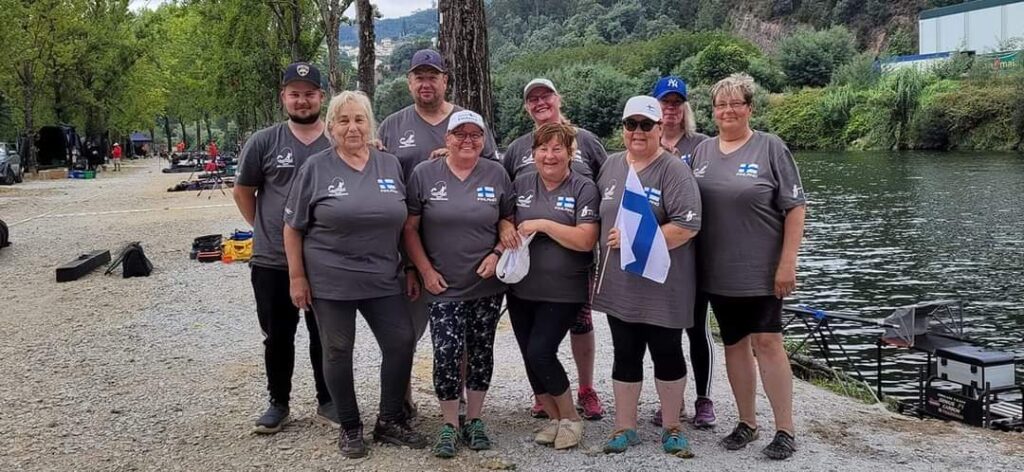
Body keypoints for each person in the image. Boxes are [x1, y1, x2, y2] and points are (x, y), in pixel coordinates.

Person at [283, 91, 426, 458]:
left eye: (359, 119)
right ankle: (349, 425)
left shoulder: (389, 165)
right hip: (332, 279)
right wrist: (297, 277)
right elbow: (293, 227)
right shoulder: (316, 168)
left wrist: (411, 267)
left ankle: (390, 419)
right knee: (337, 348)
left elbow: (404, 225)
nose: (352, 127)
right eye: (344, 120)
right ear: (331, 127)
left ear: (370, 125)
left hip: (383, 275)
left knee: (401, 341)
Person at [690, 73, 806, 460]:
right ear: (713, 111)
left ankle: (785, 429)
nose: (728, 110)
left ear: (749, 108)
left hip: (762, 271)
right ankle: (747, 422)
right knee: (734, 345)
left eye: (736, 103)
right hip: (717, 272)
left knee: (768, 343)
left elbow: (795, 208)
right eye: (721, 105)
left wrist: (788, 262)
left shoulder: (770, 147)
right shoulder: (702, 152)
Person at [378, 48, 499, 416]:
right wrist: (412, 265)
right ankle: (401, 403)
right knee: (405, 333)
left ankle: (458, 402)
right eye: (419, 77)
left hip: (459, 250)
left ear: (445, 80)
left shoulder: (467, 124)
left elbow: (493, 177)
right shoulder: (392, 125)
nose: (426, 83)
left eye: (433, 76)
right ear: (409, 82)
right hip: (408, 246)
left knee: (460, 337)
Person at [594, 96, 702, 456]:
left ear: (660, 128)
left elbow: (687, 225)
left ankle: (672, 425)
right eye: (631, 124)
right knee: (624, 353)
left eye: (646, 125)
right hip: (620, 283)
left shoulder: (674, 170)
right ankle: (625, 427)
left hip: (662, 284)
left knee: (667, 352)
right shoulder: (611, 166)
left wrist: (634, 241)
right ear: (623, 129)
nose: (637, 132)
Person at [403, 110, 513, 459]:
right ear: (446, 138)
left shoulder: (496, 173)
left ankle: (475, 419)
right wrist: (423, 270)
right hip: (442, 284)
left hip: (485, 283)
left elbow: (508, 219)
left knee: (481, 351)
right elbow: (409, 228)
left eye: (475, 135)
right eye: (460, 134)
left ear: (484, 139)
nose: (468, 141)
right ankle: (450, 422)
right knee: (447, 352)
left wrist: (497, 254)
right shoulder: (424, 174)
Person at [233, 62, 335, 434]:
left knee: (326, 334)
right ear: (283, 97)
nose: (302, 100)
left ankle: (328, 399)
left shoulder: (336, 139)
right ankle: (279, 402)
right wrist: (264, 228)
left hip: (326, 258)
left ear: (322, 96)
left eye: (309, 93)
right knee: (278, 335)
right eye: (295, 94)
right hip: (273, 259)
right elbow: (243, 191)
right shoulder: (264, 141)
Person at [502, 78, 606, 421]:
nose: (540, 102)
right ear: (526, 107)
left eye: (545, 95)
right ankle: (544, 395)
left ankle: (586, 389)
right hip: (528, 269)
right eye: (532, 98)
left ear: (558, 98)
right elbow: (501, 194)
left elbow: (610, 181)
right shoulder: (517, 148)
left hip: (575, 264)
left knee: (581, 325)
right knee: (535, 342)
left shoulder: (586, 140)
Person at [649, 75, 717, 429]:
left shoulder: (702, 145)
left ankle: (704, 399)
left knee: (697, 329)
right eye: (665, 102)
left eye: (677, 103)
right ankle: (670, 403)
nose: (671, 109)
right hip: (660, 254)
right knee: (665, 331)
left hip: (695, 253)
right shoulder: (646, 141)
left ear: (685, 108)